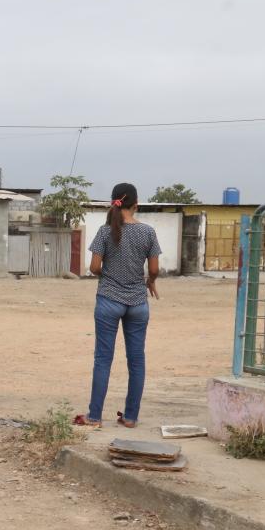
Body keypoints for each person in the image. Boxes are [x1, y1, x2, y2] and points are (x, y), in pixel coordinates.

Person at [78, 182, 161, 429]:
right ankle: (130, 417)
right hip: (138, 302)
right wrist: (150, 281)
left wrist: (108, 276)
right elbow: (154, 268)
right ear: (135, 205)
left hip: (108, 300)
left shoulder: (105, 232)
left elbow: (93, 267)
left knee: (103, 359)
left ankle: (94, 417)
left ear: (114, 203)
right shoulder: (148, 232)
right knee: (136, 360)